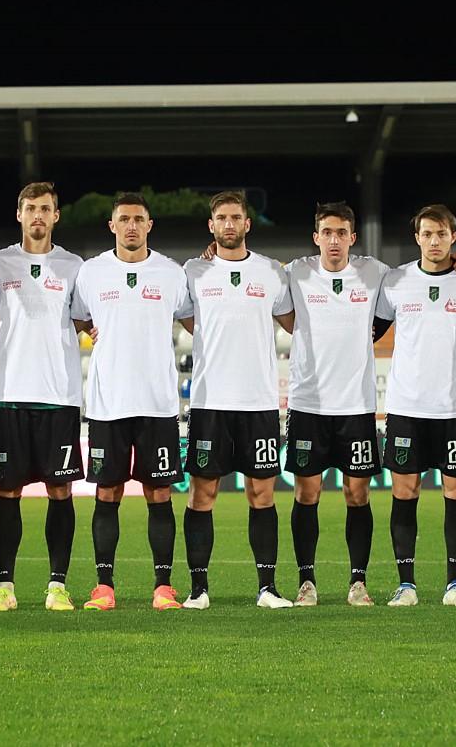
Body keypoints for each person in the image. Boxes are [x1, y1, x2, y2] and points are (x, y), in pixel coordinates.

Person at [70, 192, 191, 611]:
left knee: (159, 494)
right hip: (108, 403)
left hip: (157, 403)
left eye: (139, 219)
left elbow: (195, 322)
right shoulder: (91, 273)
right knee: (108, 493)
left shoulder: (172, 274)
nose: (132, 226)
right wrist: (90, 330)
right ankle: (104, 587)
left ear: (150, 225)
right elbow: (76, 317)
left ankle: (164, 587)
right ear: (112, 226)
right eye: (124, 219)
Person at [178, 190, 295, 609]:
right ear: (212, 226)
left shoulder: (270, 273)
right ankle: (198, 589)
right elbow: (186, 319)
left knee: (262, 495)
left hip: (259, 402)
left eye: (236, 217)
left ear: (248, 224)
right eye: (221, 218)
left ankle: (267, 588)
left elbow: (294, 322)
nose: (229, 224)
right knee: (201, 494)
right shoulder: (193, 271)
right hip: (210, 403)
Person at [0, 182, 86, 612]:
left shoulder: (75, 265)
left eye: (45, 208)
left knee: (60, 491)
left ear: (56, 216)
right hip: (8, 394)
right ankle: (5, 587)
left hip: (59, 395)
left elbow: (82, 319)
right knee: (7, 492)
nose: (38, 215)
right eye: (31, 208)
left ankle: (56, 586)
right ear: (19, 214)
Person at [375, 204, 456, 607]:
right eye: (427, 234)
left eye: (441, 234)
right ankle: (406, 585)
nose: (434, 241)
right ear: (416, 237)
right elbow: (372, 329)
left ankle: (454, 585)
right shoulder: (397, 281)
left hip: (454, 409)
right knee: (405, 491)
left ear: (453, 237)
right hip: (406, 407)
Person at [283, 202, 388, 607]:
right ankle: (306, 583)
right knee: (307, 494)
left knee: (356, 495)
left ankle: (357, 583)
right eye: (326, 232)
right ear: (316, 237)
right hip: (309, 404)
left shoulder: (375, 272)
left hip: (356, 406)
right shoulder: (295, 273)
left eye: (341, 232)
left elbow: (408, 293)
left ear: (352, 237)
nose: (333, 240)